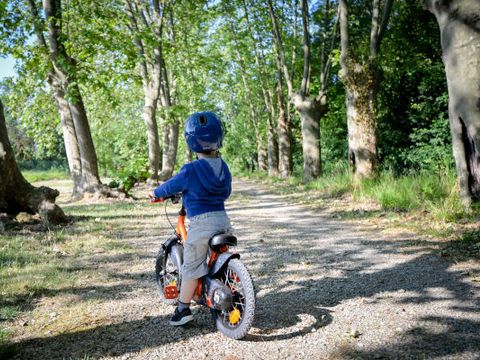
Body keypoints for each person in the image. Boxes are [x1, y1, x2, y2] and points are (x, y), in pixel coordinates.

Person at [151, 111, 232, 326]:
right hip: (223, 220)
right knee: (214, 256)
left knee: (191, 267)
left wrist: (156, 193)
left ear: (190, 140)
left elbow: (172, 185)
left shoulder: (190, 169)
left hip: (202, 223)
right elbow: (226, 192)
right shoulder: (224, 167)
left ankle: (183, 309)